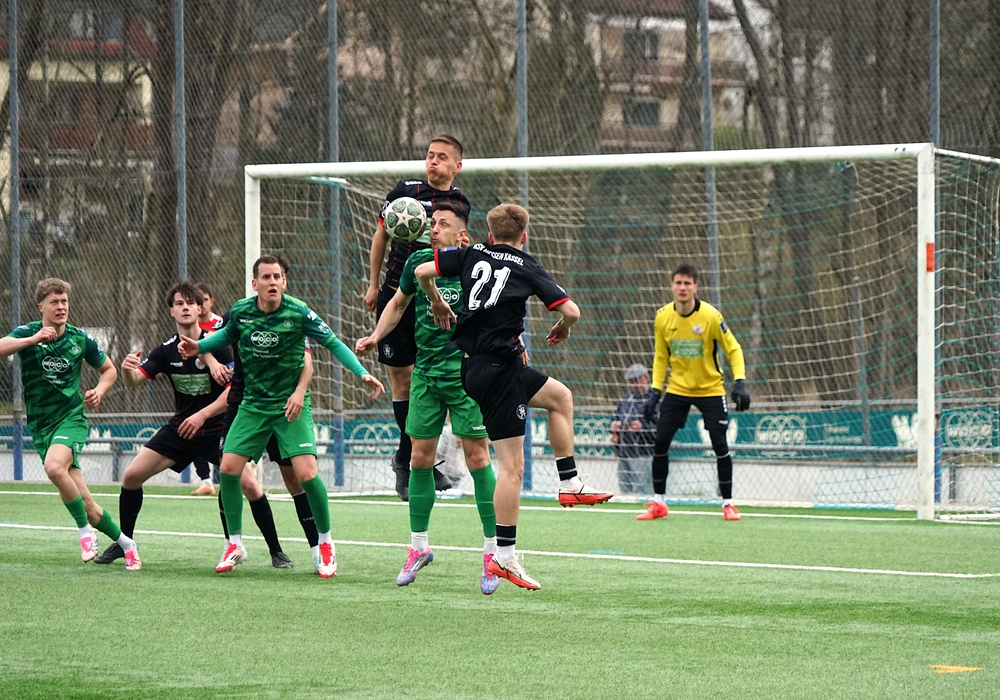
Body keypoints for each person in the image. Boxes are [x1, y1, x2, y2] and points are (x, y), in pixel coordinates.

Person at [415, 203, 612, 591]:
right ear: (524, 236)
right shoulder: (526, 264)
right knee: (512, 468)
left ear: (490, 235)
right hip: (497, 371)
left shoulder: (471, 253)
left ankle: (569, 482)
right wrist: (564, 326)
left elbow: (423, 271)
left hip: (482, 367)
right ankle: (504, 556)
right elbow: (572, 311)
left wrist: (435, 298)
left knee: (560, 397)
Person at [179, 254, 384, 578]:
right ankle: (234, 544)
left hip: (290, 408)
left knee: (307, 475)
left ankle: (325, 543)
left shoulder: (298, 312)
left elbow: (332, 343)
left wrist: (361, 373)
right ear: (255, 283)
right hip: (253, 405)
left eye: (277, 277)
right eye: (266, 277)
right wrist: (199, 347)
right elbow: (225, 335)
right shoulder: (243, 312)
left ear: (284, 282)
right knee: (229, 469)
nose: (272, 282)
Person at [357, 202, 500, 595]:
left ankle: (494, 553)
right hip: (425, 375)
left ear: (462, 235)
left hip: (467, 374)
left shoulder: (477, 265)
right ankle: (418, 547)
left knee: (477, 457)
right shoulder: (417, 261)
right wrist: (376, 336)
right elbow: (397, 303)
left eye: (443, 224)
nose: (433, 228)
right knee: (419, 458)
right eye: (432, 223)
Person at [95, 281, 242, 565]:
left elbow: (233, 393)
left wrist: (202, 414)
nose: (185, 307)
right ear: (171, 311)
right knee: (131, 476)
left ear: (200, 309)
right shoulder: (165, 350)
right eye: (179, 304)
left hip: (217, 429)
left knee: (244, 483)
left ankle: (254, 547)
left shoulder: (220, 345)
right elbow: (134, 381)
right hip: (182, 429)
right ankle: (125, 543)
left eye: (190, 303)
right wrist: (126, 370)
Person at [0, 278, 141, 570]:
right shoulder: (27, 333)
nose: (61, 306)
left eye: (64, 301)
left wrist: (99, 391)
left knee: (54, 468)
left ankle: (84, 533)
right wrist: (33, 340)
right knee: (88, 506)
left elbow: (109, 370)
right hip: (41, 426)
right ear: (41, 306)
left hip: (71, 419)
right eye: (54, 302)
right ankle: (128, 545)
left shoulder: (79, 339)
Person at [365, 135, 468, 500]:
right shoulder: (404, 192)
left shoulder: (460, 203)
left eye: (441, 157)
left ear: (456, 166)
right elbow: (381, 236)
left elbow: (459, 248)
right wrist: (373, 284)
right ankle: (412, 460)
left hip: (436, 300)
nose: (433, 162)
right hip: (397, 292)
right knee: (403, 382)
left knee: (432, 380)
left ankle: (408, 459)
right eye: (429, 155)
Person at [636, 264, 751, 522]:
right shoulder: (662, 317)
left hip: (711, 389)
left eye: (687, 283)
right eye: (678, 282)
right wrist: (655, 391)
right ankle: (659, 503)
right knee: (661, 441)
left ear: (696, 287)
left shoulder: (711, 316)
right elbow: (661, 356)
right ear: (672, 286)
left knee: (720, 444)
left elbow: (733, 348)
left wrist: (740, 382)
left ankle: (728, 504)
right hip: (678, 388)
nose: (682, 288)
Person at [184, 281, 224, 495]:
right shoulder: (190, 326)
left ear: (210, 302)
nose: (201, 304)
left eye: (205, 300)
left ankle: (231, 478)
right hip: (198, 386)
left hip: (220, 385)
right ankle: (206, 481)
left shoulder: (220, 324)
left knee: (223, 437)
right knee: (193, 428)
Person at [610, 363, 655, 494]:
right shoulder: (625, 399)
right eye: (631, 381)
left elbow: (662, 428)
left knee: (642, 492)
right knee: (624, 492)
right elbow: (615, 418)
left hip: (644, 454)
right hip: (623, 453)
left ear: (646, 377)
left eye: (636, 380)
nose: (634, 385)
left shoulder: (655, 399)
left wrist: (642, 428)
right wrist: (613, 425)